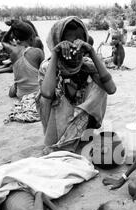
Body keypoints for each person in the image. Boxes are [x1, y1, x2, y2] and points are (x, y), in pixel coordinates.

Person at [37, 16, 116, 154]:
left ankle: (81, 136)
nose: (74, 46)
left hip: (82, 125)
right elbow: (47, 94)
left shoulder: (87, 64)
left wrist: (91, 51)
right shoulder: (48, 66)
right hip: (57, 126)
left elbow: (111, 88)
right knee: (44, 96)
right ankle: (58, 141)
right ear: (58, 41)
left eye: (79, 40)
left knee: (100, 87)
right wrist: (56, 53)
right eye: (68, 42)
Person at [0, 20, 44, 99]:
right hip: (36, 93)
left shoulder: (13, 51)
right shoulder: (37, 52)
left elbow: (3, 42)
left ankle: (17, 86)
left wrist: (11, 28)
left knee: (15, 86)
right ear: (32, 38)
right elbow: (43, 73)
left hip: (20, 95)